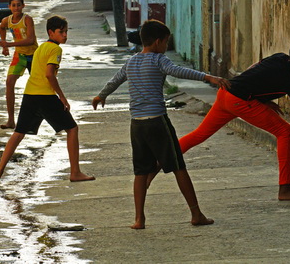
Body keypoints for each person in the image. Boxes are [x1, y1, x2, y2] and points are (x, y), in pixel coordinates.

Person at [173, 41, 290, 201]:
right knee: (285, 131)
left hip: (225, 93)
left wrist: (263, 100)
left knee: (199, 134)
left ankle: (163, 159)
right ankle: (285, 189)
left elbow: (254, 71)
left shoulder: (279, 58)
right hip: (239, 100)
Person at [92, 19, 230, 229]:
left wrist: (101, 96)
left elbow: (115, 80)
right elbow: (180, 71)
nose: (166, 47)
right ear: (157, 42)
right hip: (157, 122)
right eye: (166, 42)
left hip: (137, 124)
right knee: (178, 167)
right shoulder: (159, 60)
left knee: (140, 172)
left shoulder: (131, 62)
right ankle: (196, 214)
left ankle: (139, 219)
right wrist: (208, 77)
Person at [0, 15, 95, 185]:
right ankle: (75, 172)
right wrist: (62, 96)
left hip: (29, 94)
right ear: (51, 32)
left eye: (66, 32)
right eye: (61, 32)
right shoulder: (55, 50)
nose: (65, 35)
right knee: (72, 129)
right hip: (45, 96)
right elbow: (49, 74)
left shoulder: (40, 48)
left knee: (18, 133)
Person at [0, 0, 38, 129]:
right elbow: (2, 27)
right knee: (9, 82)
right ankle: (11, 120)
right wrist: (4, 44)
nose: (16, 8)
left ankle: (45, 117)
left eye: (19, 5)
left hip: (33, 56)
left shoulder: (27, 20)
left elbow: (30, 40)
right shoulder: (7, 20)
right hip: (19, 56)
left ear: (23, 6)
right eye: (13, 5)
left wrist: (8, 44)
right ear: (9, 6)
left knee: (40, 86)